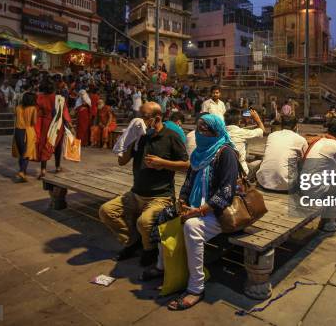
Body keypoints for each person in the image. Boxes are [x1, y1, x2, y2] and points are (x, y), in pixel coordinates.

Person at [161, 114, 239, 310]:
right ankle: (162, 269)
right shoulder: (198, 153)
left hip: (218, 211)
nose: (200, 133)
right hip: (196, 207)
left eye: (205, 130)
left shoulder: (226, 153)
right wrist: (182, 201)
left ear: (216, 132)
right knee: (165, 215)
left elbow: (226, 192)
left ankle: (196, 287)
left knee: (191, 227)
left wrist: (199, 211)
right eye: (198, 129)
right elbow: (188, 182)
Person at [99, 102, 189, 264]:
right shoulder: (140, 136)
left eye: (144, 117)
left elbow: (186, 164)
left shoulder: (171, 137)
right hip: (136, 193)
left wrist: (163, 163)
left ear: (157, 118)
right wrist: (131, 139)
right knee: (106, 211)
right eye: (138, 116)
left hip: (160, 196)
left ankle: (149, 250)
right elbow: (122, 161)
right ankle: (132, 242)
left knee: (144, 222)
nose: (140, 121)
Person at [256, 115, 308, 192]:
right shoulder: (300, 139)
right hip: (287, 186)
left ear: (281, 125)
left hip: (263, 182)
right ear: (295, 126)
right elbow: (306, 160)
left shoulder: (272, 135)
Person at [36, 80, 72, 179]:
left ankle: (43, 169)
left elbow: (37, 112)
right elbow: (64, 113)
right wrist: (69, 124)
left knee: (45, 145)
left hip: (46, 124)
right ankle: (57, 167)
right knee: (58, 146)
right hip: (57, 124)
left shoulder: (40, 98)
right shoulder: (59, 98)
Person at [225, 108, 265, 177]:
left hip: (225, 171)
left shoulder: (220, 133)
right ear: (239, 121)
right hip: (241, 173)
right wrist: (257, 118)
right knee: (261, 162)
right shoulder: (241, 132)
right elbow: (262, 130)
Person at [12, 91, 38, 182]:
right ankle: (22, 172)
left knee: (20, 153)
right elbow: (34, 122)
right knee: (26, 154)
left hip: (18, 131)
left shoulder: (18, 107)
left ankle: (23, 173)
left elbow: (14, 115)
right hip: (28, 131)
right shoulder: (33, 108)